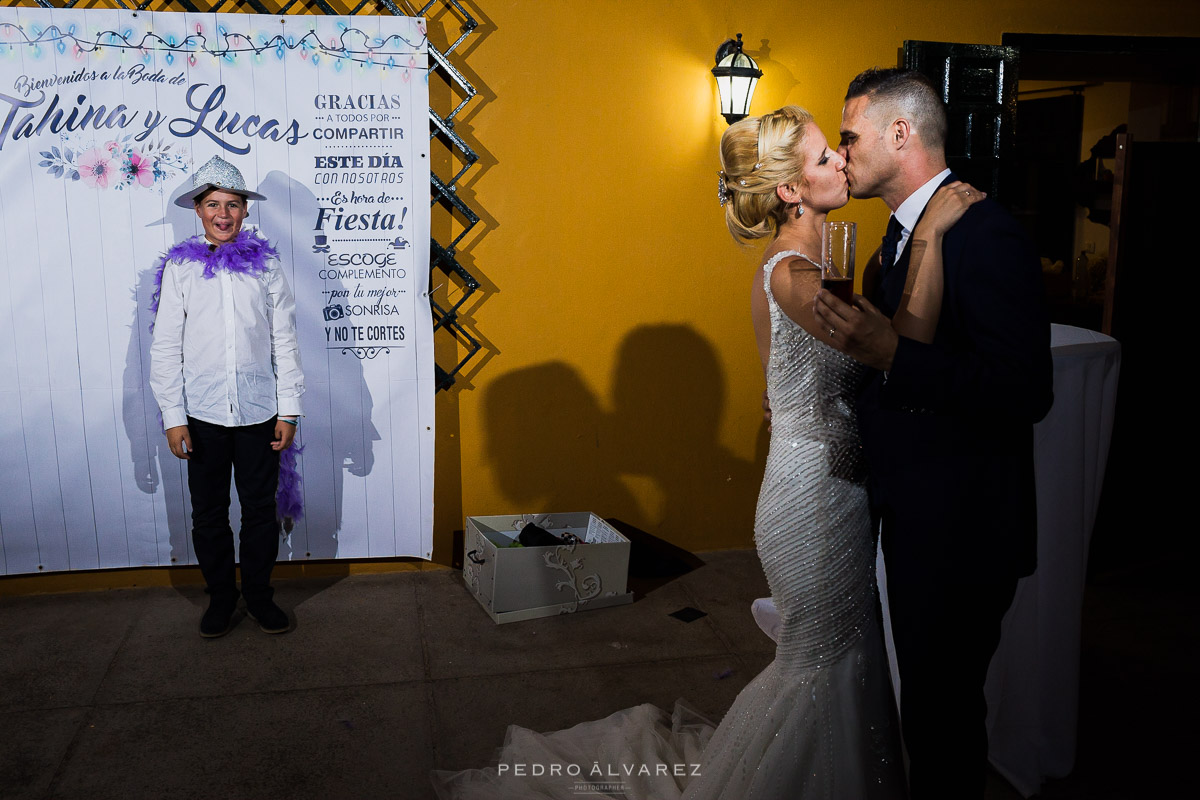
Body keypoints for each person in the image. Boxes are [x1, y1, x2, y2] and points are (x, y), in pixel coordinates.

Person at [431, 106, 979, 800]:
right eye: (822, 159)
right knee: (821, 664)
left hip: (824, 485)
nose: (841, 161)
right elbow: (900, 348)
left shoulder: (803, 265)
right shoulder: (797, 276)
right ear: (789, 190)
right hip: (815, 503)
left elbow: (790, 389)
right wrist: (929, 236)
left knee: (832, 661)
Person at [812, 69, 1054, 798]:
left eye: (848, 137)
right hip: (914, 512)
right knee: (923, 706)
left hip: (965, 528)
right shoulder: (898, 233)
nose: (843, 154)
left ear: (900, 133)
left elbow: (1024, 390)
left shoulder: (986, 232)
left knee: (943, 720)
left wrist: (894, 355)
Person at [150, 155, 305, 638]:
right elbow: (165, 346)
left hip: (260, 412)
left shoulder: (268, 267)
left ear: (245, 211)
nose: (224, 214)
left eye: (233, 204)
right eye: (214, 204)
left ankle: (258, 596)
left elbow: (284, 339)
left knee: (260, 510)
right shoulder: (180, 269)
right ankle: (221, 596)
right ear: (197, 209)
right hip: (203, 414)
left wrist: (290, 409)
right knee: (210, 512)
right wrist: (174, 417)